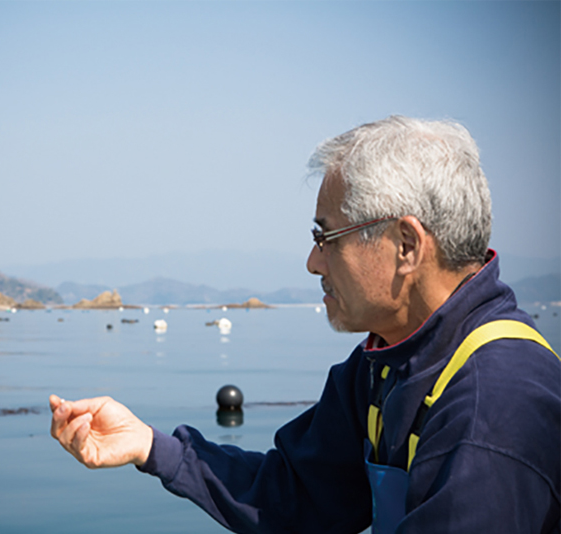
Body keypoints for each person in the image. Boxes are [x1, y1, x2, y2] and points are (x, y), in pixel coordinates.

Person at [50, 116, 560, 533]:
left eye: (327, 236)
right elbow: (297, 497)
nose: (313, 263)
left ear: (406, 246)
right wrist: (151, 446)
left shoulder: (490, 408)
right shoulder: (385, 364)